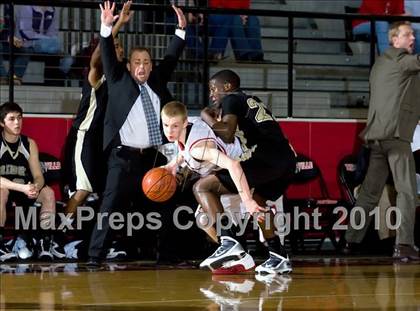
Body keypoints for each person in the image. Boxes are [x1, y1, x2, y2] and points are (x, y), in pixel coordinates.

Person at [86, 1, 187, 267]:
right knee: (109, 209)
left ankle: (166, 256)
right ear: (129, 66)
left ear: (151, 66)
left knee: (166, 203)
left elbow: (172, 57)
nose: (142, 67)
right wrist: (106, 27)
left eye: (146, 62)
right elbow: (107, 52)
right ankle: (95, 257)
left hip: (152, 158)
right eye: (137, 63)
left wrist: (181, 30)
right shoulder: (118, 79)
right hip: (123, 158)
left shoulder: (156, 81)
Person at [199, 69, 297, 274]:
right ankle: (278, 255)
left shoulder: (231, 99)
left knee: (203, 187)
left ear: (226, 87)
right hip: (287, 159)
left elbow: (226, 133)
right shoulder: (250, 99)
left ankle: (228, 241)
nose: (211, 95)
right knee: (258, 199)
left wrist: (206, 116)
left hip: (266, 157)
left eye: (213, 89)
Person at [344, 21, 420, 261]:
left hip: (376, 137)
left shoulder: (380, 63)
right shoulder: (401, 59)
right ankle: (404, 244)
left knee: (369, 193)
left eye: (413, 34)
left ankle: (351, 240)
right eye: (407, 34)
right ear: (394, 39)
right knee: (407, 192)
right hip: (395, 136)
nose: (412, 38)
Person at [0, 102, 63, 262]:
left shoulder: (29, 143)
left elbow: (38, 175)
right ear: (2, 123)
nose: (17, 122)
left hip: (25, 188)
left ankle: (44, 243)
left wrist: (36, 187)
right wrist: (22, 188)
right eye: (12, 119)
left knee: (48, 193)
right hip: (10, 188)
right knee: (1, 192)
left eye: (20, 118)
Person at [0, 4, 29, 85]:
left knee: (25, 50)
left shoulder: (8, 8)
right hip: (3, 41)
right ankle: (2, 77)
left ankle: (13, 77)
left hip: (6, 42)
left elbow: (9, 30)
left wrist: (16, 39)